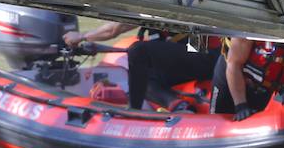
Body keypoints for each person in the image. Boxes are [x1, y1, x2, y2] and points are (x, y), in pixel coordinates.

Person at [64, 21, 221, 112]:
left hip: (208, 56)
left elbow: (113, 30)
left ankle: (134, 111)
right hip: (199, 57)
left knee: (138, 51)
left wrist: (81, 36)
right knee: (141, 73)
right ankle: (177, 105)